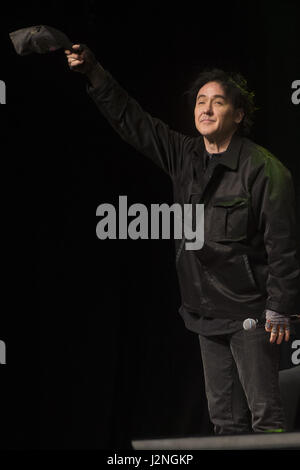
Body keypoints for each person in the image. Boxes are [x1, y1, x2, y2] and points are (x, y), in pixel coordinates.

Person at [64, 44, 300, 434]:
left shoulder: (265, 171)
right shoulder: (184, 155)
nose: (205, 109)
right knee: (225, 423)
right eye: (200, 102)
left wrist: (280, 308)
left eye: (217, 102)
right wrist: (93, 72)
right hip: (204, 311)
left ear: (238, 115)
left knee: (266, 421)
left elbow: (284, 248)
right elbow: (132, 120)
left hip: (250, 314)